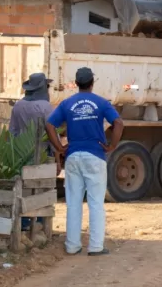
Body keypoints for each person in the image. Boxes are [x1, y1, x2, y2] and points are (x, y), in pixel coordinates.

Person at [45, 67, 124, 256]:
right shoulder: (101, 102)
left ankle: (72, 246)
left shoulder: (67, 103)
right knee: (96, 203)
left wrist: (59, 147)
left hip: (73, 156)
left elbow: (49, 124)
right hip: (95, 156)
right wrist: (112, 145)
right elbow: (119, 123)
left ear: (76, 83)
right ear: (92, 83)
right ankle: (96, 247)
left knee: (73, 203)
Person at [9, 72, 59, 172]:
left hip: (20, 156)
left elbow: (12, 132)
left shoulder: (18, 105)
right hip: (42, 156)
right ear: (43, 89)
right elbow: (53, 135)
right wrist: (57, 160)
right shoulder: (45, 107)